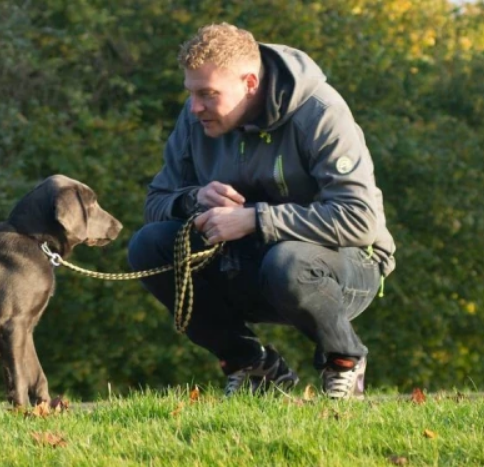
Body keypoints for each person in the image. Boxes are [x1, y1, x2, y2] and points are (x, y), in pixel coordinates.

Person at [127, 23, 396, 399]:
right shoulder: (194, 120)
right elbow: (155, 203)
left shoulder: (320, 113)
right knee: (147, 246)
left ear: (250, 83)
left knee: (287, 262)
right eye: (190, 93)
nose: (195, 107)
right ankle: (253, 364)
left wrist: (255, 219)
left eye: (208, 94)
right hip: (247, 266)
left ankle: (344, 361)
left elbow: (359, 219)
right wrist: (195, 198)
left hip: (342, 267)